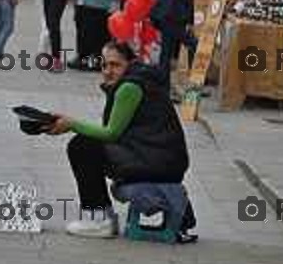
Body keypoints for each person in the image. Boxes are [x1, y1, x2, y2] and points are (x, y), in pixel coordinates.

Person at [46, 41, 195, 239]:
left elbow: (111, 133)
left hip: (155, 162)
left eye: (115, 65)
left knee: (82, 146)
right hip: (161, 160)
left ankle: (100, 220)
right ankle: (101, 217)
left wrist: (71, 124)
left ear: (130, 63)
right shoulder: (139, 80)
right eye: (104, 65)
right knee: (88, 144)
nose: (108, 71)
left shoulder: (130, 87)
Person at [150, 0, 208, 90]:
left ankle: (164, 87)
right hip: (172, 17)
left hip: (167, 16)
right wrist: (190, 21)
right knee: (193, 44)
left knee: (167, 53)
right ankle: (194, 83)